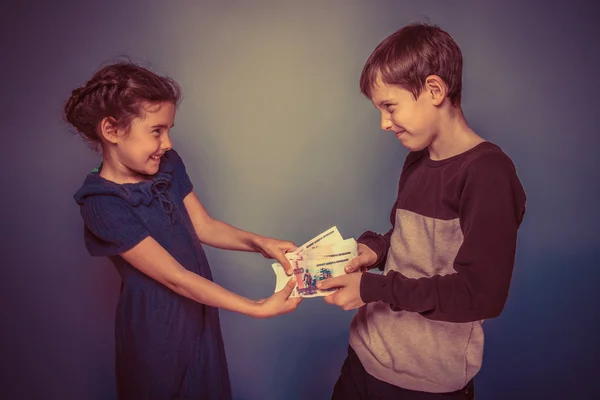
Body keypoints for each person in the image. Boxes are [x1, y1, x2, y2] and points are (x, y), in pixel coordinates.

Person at [65, 61, 302, 400]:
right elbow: (175, 277)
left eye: (169, 129)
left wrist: (262, 243)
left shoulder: (168, 164)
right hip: (156, 328)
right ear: (112, 130)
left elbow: (204, 227)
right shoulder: (101, 203)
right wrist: (256, 306)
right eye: (156, 130)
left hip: (198, 307)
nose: (167, 142)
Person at [318, 23, 527, 399]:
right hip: (364, 358)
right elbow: (408, 240)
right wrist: (375, 250)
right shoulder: (416, 161)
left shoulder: (488, 174)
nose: (383, 123)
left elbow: (481, 294)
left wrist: (370, 288)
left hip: (425, 384)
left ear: (434, 90)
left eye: (389, 106)